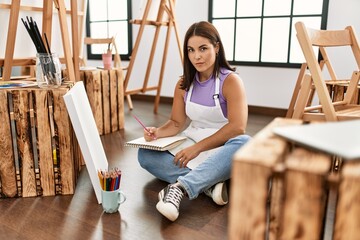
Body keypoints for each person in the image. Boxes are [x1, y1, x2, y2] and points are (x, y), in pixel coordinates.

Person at [138, 21, 251, 221]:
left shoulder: (231, 81)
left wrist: (197, 148)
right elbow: (175, 122)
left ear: (216, 47)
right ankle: (209, 183)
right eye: (191, 50)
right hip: (192, 141)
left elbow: (237, 127)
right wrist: (156, 133)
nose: (196, 56)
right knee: (145, 154)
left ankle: (180, 188)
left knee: (244, 143)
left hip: (223, 146)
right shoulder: (183, 84)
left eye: (203, 48)